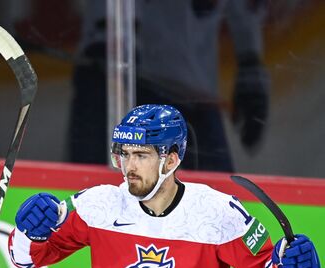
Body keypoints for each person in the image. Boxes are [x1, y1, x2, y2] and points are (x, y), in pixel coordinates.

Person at [9, 105, 320, 268]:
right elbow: (24, 259)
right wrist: (29, 231)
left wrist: (288, 266)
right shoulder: (99, 206)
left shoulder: (217, 212)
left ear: (171, 160)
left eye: (141, 155)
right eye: (125, 154)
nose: (129, 167)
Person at [69, 0, 269, 171]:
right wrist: (107, 35)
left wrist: (249, 62)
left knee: (217, 199)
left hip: (194, 90)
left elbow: (245, 9)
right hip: (125, 79)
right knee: (98, 191)